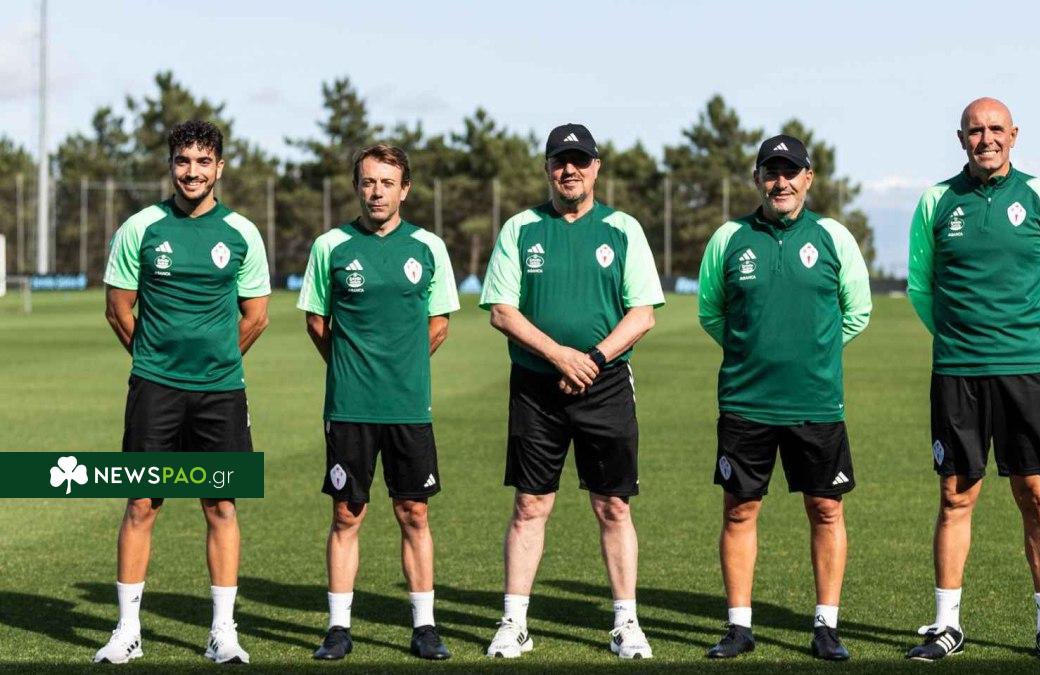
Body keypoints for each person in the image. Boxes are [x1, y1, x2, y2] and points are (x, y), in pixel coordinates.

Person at [479, 123, 664, 659]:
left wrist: (593, 359)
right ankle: (514, 622)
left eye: (580, 160)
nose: (570, 170)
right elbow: (501, 311)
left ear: (596, 168)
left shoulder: (623, 229)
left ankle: (626, 622)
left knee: (613, 506)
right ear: (547, 168)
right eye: (560, 161)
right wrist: (560, 355)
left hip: (605, 385)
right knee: (530, 504)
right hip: (536, 387)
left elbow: (643, 313)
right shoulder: (520, 228)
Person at [905, 97, 1040, 662]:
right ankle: (945, 626)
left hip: (1026, 371)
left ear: (1014, 135)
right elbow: (920, 287)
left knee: (1036, 496)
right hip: (958, 372)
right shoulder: (936, 201)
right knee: (956, 496)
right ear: (961, 139)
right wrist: (957, 338)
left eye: (996, 129)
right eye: (976, 130)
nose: (987, 139)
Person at [95, 120, 270, 664]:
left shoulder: (241, 232)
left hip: (221, 393)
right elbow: (118, 309)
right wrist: (156, 363)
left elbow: (256, 316)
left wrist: (214, 363)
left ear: (219, 168)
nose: (192, 172)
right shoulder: (141, 227)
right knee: (141, 503)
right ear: (171, 165)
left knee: (220, 505)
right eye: (183, 161)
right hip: (155, 391)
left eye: (203, 162)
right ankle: (127, 631)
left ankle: (223, 631)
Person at [697, 134, 872, 661]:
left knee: (825, 509)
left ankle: (826, 626)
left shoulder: (833, 237)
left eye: (790, 172)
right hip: (746, 402)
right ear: (757, 179)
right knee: (739, 510)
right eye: (771, 172)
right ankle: (739, 627)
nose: (781, 182)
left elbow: (857, 311)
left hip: (816, 402)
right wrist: (753, 351)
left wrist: (813, 351)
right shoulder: (729, 238)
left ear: (808, 178)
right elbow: (711, 312)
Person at [297, 143, 460, 661]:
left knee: (414, 513)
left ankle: (425, 626)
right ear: (356, 187)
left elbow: (439, 323)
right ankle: (338, 629)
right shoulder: (330, 246)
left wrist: (400, 367)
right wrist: (352, 367)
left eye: (387, 183)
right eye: (368, 182)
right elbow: (317, 321)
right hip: (350, 407)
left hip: (409, 406)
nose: (377, 192)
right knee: (347, 514)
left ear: (404, 190)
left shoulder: (428, 247)